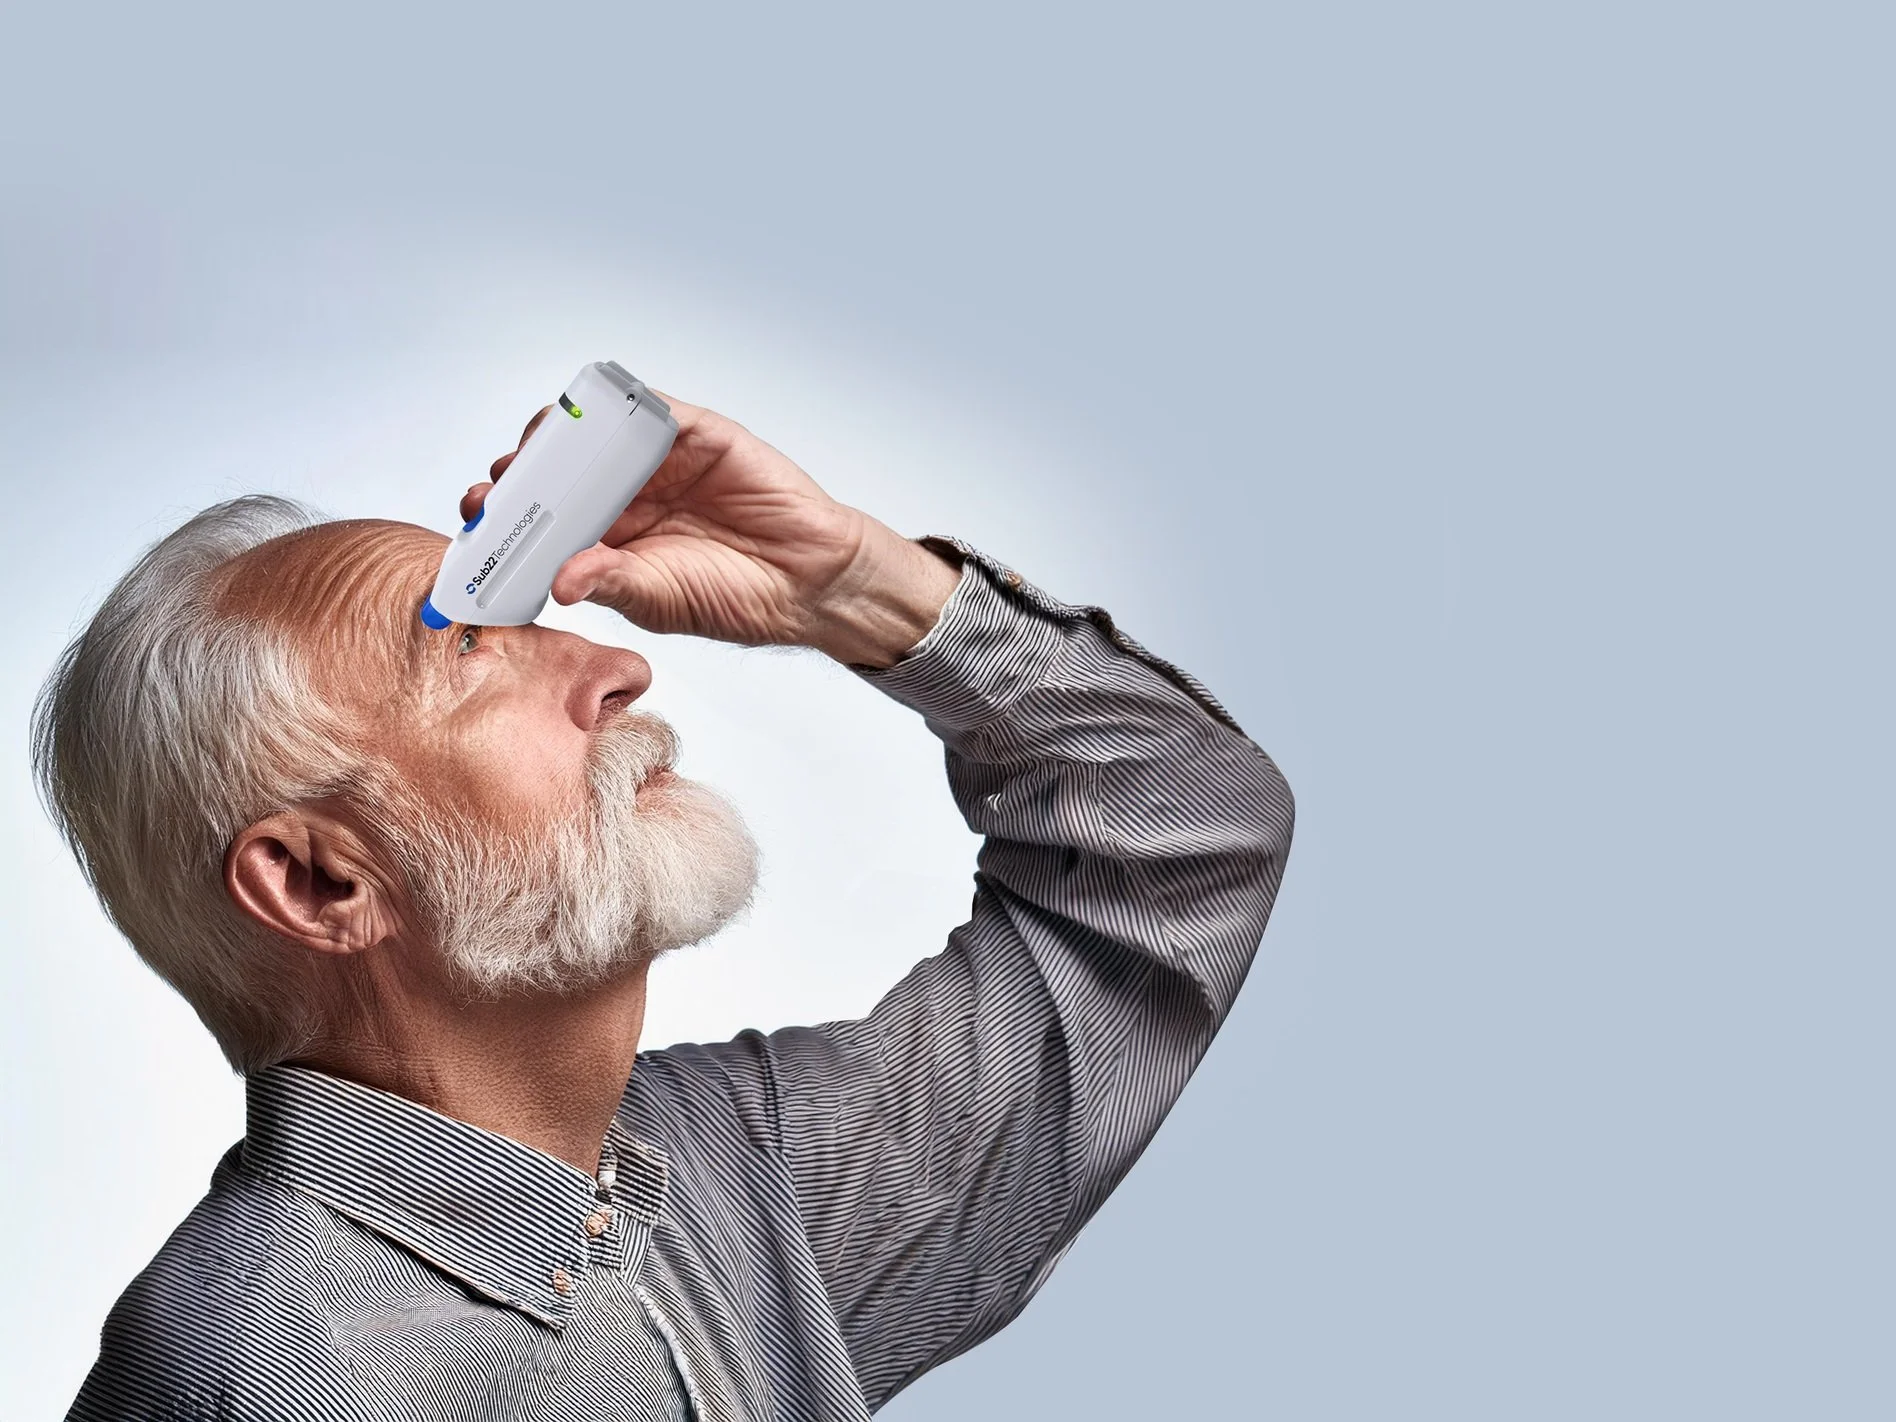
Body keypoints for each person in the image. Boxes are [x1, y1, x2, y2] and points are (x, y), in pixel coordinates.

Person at [35, 391, 1295, 1421]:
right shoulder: (263, 1379)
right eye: (469, 652)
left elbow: (1184, 842)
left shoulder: (741, 1180)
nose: (621, 666)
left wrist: (856, 590)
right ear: (322, 884)